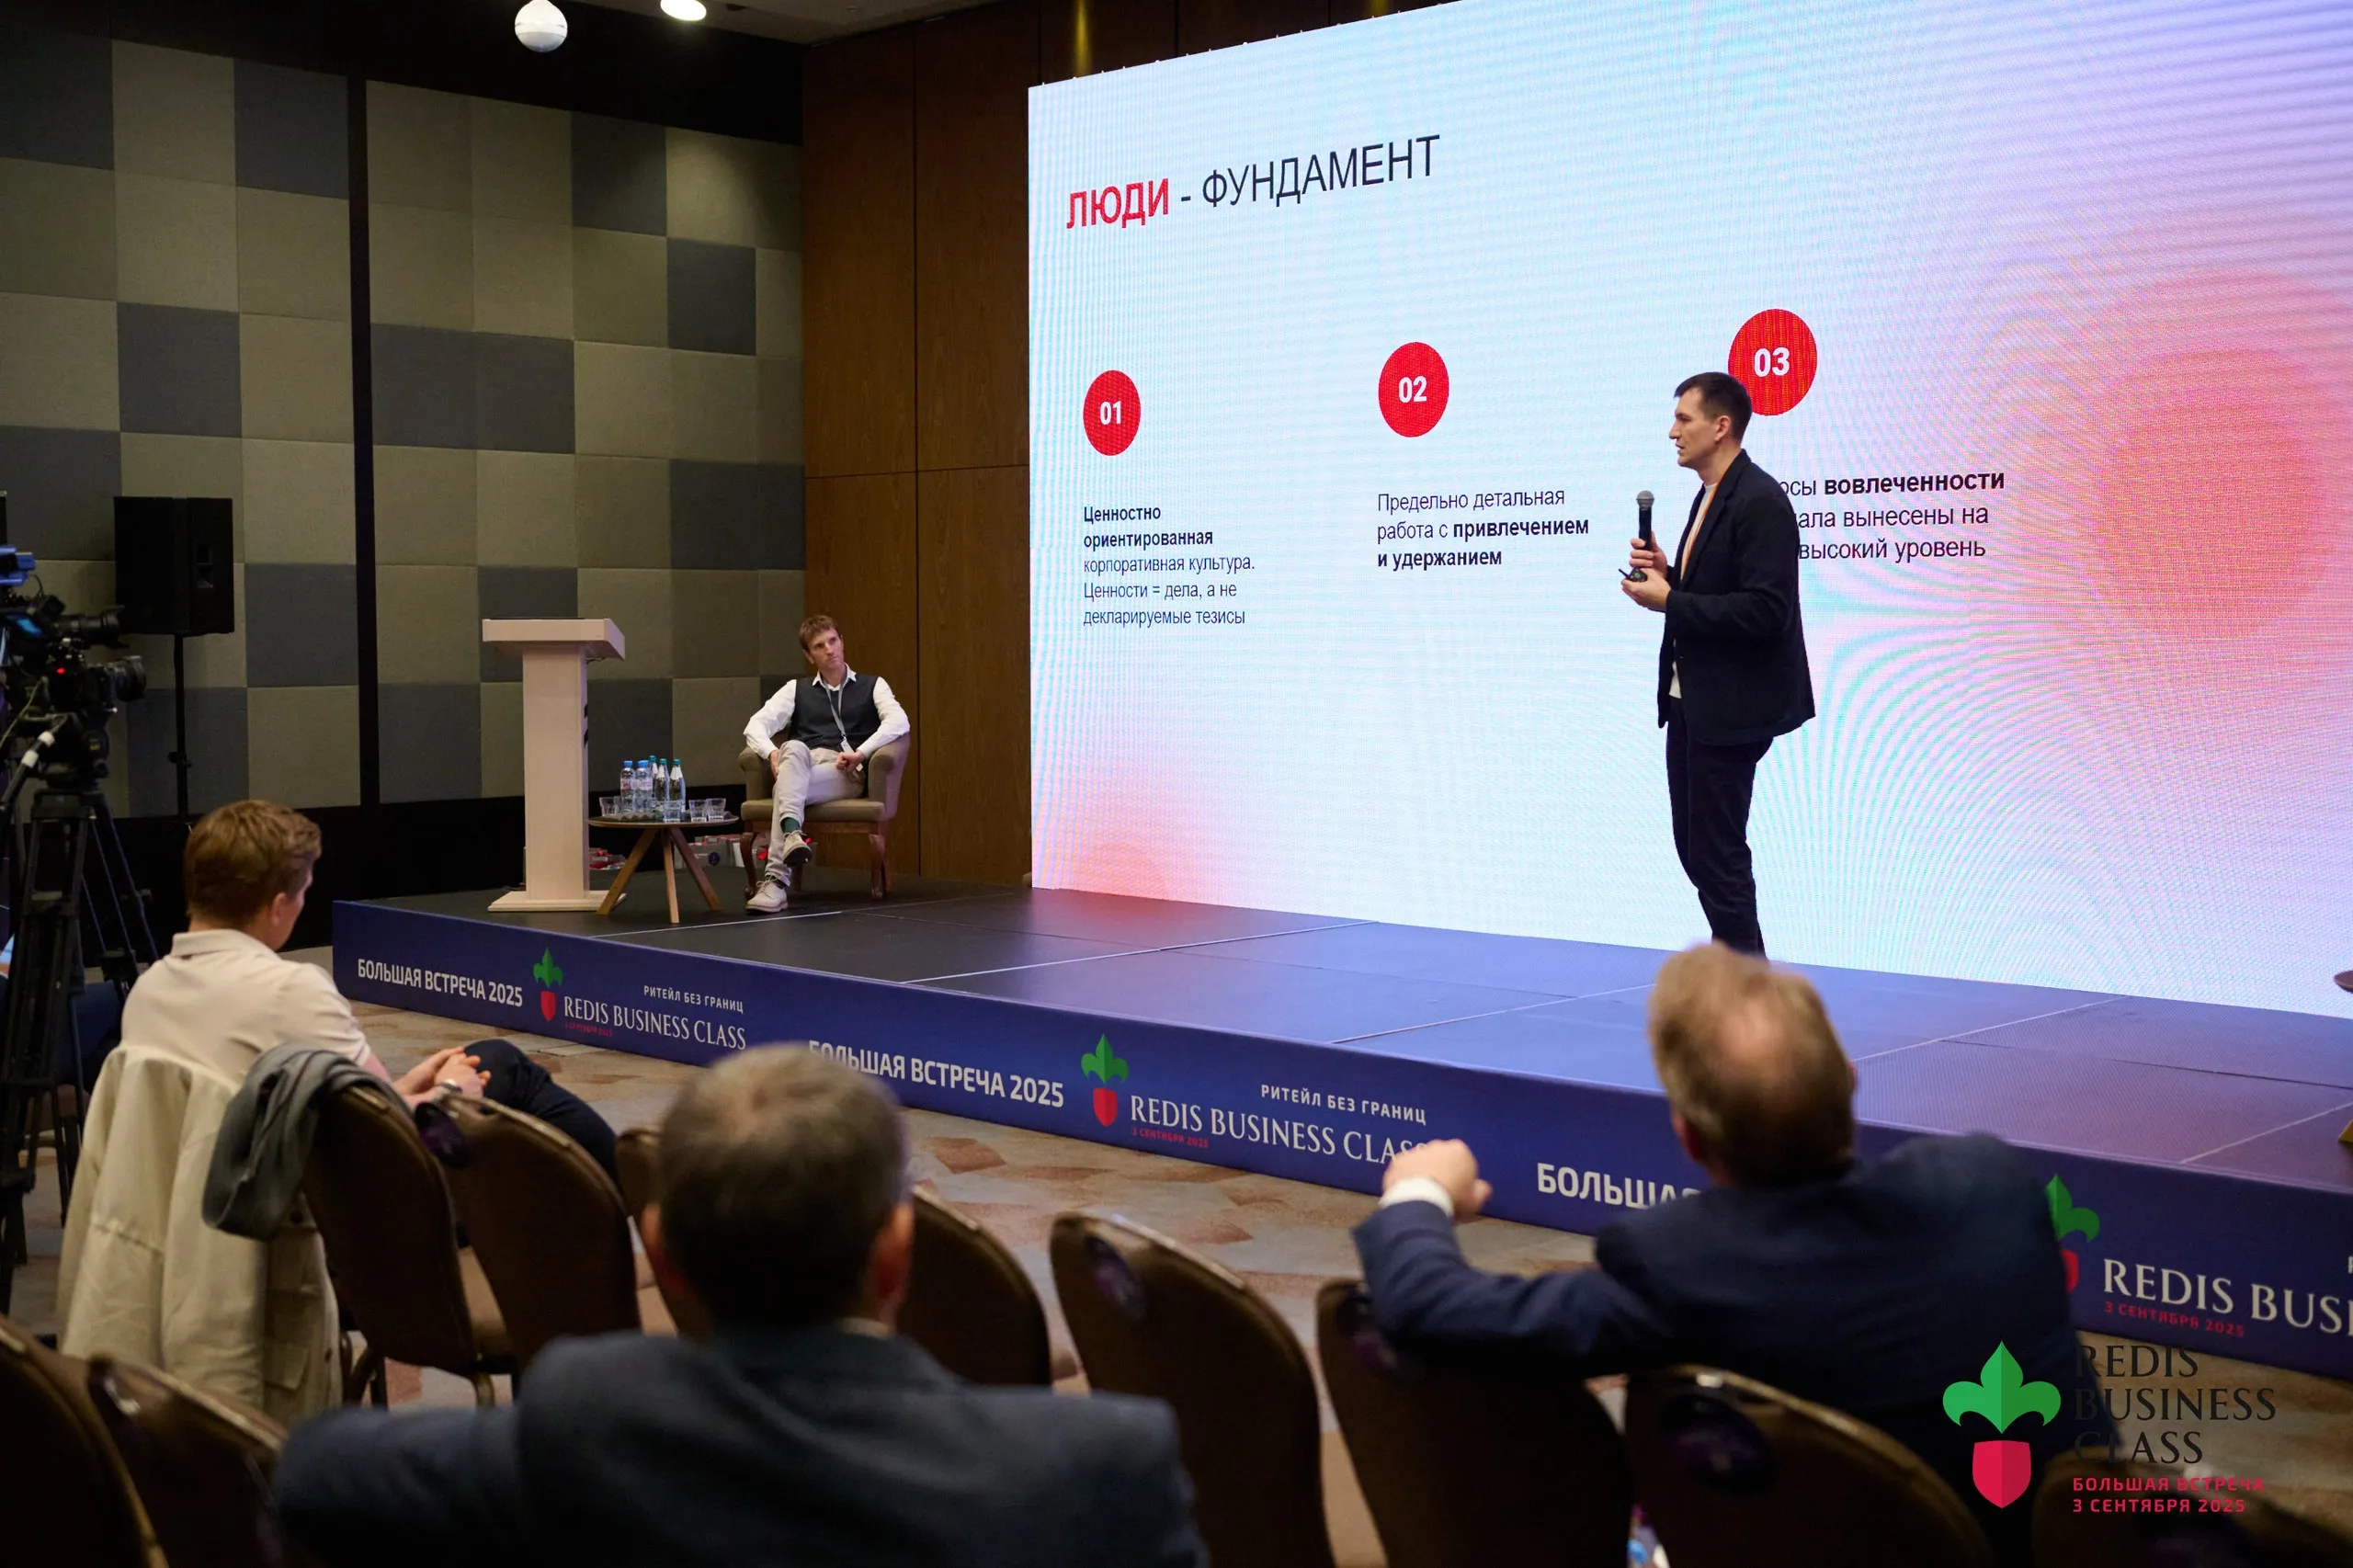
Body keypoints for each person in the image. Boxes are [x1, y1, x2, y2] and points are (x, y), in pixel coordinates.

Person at [273, 1047, 1209, 1568]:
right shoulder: (1099, 1468)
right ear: (896, 1253)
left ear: (663, 1252)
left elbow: (309, 1474)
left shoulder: (590, 1416)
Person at [1353, 943, 2102, 1564]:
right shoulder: (1998, 1187)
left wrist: (1418, 1191)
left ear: (1687, 1137)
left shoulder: (1680, 1268)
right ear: (1848, 1081)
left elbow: (1428, 1310)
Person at [122, 800, 618, 1176]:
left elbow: (355, 1104)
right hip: (331, 1215)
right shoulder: (290, 991)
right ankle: (635, 1194)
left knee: (482, 1059)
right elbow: (383, 1130)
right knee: (504, 1067)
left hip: (223, 1191)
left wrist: (414, 1083)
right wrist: (448, 1093)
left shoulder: (148, 991)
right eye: (302, 894)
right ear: (277, 906)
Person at [1620, 372, 1813, 956]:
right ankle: (1744, 979)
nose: (1672, 432)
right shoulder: (1710, 493)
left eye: (1684, 419)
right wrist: (1671, 575)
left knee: (1718, 855)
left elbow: (1766, 611)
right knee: (1697, 849)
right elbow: (1719, 589)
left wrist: (1671, 601)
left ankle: (1746, 992)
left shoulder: (1759, 500)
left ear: (1721, 426)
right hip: (1692, 702)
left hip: (1731, 708)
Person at [741, 614, 910, 915]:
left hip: (843, 769)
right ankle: (792, 836)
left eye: (833, 641)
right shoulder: (796, 689)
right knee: (792, 748)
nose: (829, 649)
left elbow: (899, 722)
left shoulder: (873, 685)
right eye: (819, 646)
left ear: (842, 642)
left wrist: (862, 753)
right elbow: (755, 725)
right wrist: (771, 753)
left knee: (786, 787)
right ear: (809, 656)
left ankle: (776, 882)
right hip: (802, 762)